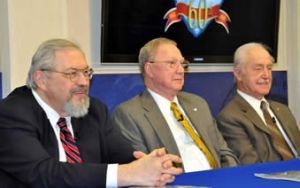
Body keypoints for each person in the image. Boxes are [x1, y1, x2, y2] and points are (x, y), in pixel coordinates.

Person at [0, 38, 183, 188]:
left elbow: (125, 157)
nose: (83, 82)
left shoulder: (93, 110)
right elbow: (44, 173)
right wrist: (128, 173)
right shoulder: (11, 113)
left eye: (86, 72)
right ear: (41, 79)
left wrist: (153, 165)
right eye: (72, 73)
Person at [111, 37, 239, 173]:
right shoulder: (129, 114)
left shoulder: (198, 103)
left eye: (183, 64)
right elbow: (142, 172)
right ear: (149, 69)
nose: (181, 70)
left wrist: (230, 177)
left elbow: (223, 151)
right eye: (172, 63)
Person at [216, 42, 300, 165]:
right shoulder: (229, 118)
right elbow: (251, 165)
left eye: (269, 68)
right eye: (258, 68)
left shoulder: (282, 110)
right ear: (238, 74)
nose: (266, 75)